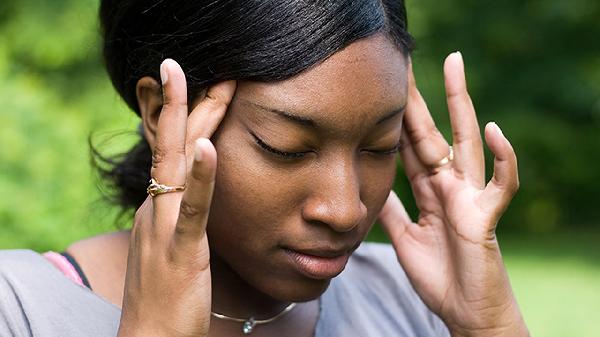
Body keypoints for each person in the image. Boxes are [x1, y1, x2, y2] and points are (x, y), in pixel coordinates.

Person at [0, 1, 530, 336]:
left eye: (379, 145)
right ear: (165, 115)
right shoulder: (20, 310)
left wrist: (489, 324)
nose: (345, 211)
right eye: (287, 148)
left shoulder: (410, 299)